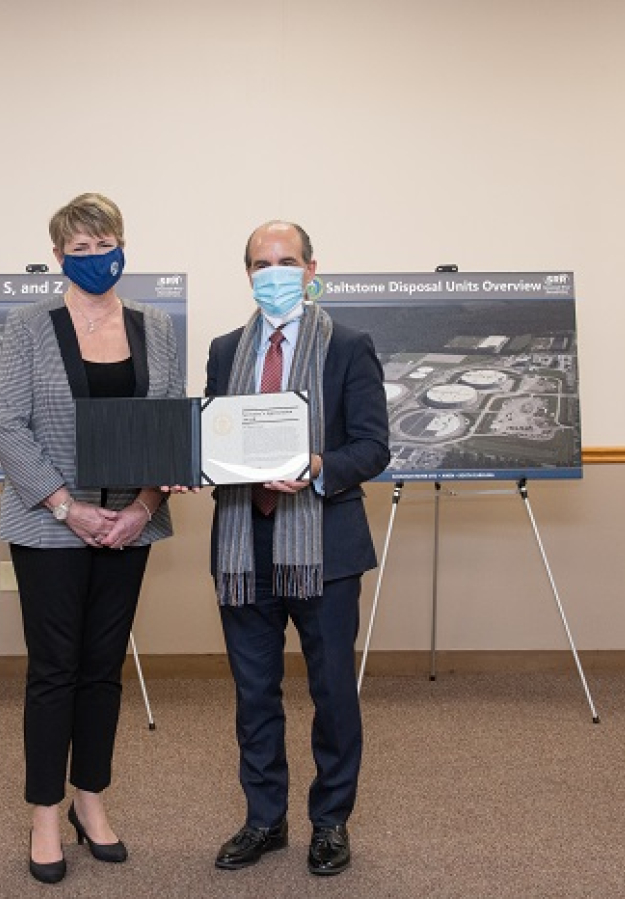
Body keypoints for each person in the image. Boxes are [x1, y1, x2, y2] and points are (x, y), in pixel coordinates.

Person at [0, 192, 183, 885]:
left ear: (122, 245)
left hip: (130, 526)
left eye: (107, 246)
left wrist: (140, 507)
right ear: (59, 257)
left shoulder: (156, 325)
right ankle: (45, 811)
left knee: (103, 669)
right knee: (54, 672)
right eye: (81, 250)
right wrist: (71, 509)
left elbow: (167, 424)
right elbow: (9, 426)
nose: (97, 259)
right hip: (50, 527)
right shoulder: (27, 325)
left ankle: (90, 801)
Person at [205, 220, 390, 877]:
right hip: (241, 543)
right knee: (254, 695)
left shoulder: (349, 346)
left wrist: (316, 464)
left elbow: (373, 446)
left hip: (324, 546)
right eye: (262, 263)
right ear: (248, 273)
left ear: (312, 269)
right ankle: (265, 820)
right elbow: (216, 436)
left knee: (333, 690)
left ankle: (331, 821)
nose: (274, 272)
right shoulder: (226, 349)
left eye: (287, 261)